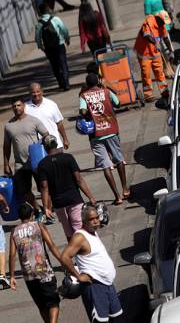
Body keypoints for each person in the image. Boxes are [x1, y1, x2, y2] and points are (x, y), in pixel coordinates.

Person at [59, 205, 124, 322]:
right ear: (84, 221)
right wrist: (78, 276)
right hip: (95, 287)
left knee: (118, 319)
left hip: (108, 284)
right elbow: (64, 257)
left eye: (96, 218)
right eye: (91, 219)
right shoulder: (80, 237)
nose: (95, 221)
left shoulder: (93, 233)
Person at [79, 73, 130, 205]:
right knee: (118, 160)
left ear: (87, 84)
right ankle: (125, 189)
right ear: (98, 81)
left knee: (105, 166)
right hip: (111, 130)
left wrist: (89, 112)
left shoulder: (83, 95)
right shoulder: (106, 91)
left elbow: (83, 111)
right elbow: (118, 103)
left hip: (95, 135)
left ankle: (117, 197)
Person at [8, 202, 64, 322]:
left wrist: (12, 276)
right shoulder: (38, 225)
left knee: (41, 305)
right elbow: (51, 245)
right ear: (32, 214)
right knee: (53, 302)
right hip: (44, 271)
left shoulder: (14, 232)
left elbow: (12, 255)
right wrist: (63, 261)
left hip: (29, 275)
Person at [37, 135, 97, 240]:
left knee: (68, 232)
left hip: (58, 203)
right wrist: (90, 197)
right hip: (74, 199)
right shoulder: (68, 158)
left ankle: (75, 252)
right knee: (80, 229)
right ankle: (86, 251)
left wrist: (46, 207)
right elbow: (79, 179)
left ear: (45, 148)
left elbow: (44, 187)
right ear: (56, 144)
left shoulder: (42, 165)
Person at [3, 98, 50, 211]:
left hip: (36, 161)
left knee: (44, 187)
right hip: (20, 163)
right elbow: (6, 146)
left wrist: (43, 150)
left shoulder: (34, 120)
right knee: (23, 191)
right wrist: (6, 164)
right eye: (14, 106)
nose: (16, 108)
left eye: (18, 105)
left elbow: (46, 135)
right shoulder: (8, 126)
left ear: (24, 106)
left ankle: (48, 210)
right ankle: (38, 209)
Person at [133, 12, 173, 101]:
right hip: (144, 53)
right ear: (159, 18)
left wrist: (171, 51)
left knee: (160, 73)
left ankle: (164, 91)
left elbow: (166, 38)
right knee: (146, 74)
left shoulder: (162, 25)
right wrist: (155, 43)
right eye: (162, 22)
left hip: (155, 52)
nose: (163, 24)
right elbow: (146, 35)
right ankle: (148, 94)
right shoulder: (149, 21)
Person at [35, 3, 71, 91]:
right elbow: (64, 29)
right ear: (48, 10)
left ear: (40, 12)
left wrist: (41, 47)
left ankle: (60, 83)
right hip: (59, 45)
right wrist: (67, 39)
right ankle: (66, 84)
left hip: (49, 48)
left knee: (55, 66)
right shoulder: (56, 19)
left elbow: (37, 38)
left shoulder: (39, 24)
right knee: (63, 65)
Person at [26, 83, 70, 151]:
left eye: (38, 91)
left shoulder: (51, 104)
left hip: (55, 144)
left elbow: (59, 123)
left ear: (42, 91)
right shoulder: (26, 108)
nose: (36, 94)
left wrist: (65, 139)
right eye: (33, 92)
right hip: (38, 147)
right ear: (30, 93)